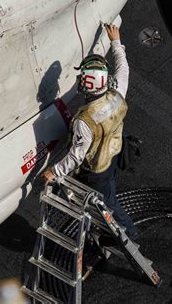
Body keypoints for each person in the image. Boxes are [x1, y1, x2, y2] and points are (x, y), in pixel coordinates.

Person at [41, 23, 137, 239]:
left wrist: (54, 171)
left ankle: (128, 234)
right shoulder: (117, 94)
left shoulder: (84, 121)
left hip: (97, 170)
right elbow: (123, 69)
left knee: (108, 203)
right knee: (108, 191)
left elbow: (77, 155)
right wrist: (116, 42)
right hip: (113, 154)